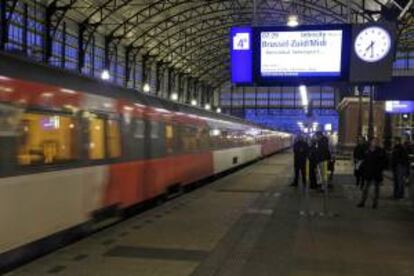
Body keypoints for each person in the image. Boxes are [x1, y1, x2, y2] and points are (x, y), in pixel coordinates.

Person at [357, 138, 387, 208]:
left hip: (377, 172)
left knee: (376, 189)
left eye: (376, 142)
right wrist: (362, 170)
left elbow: (384, 161)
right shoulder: (368, 151)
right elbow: (365, 161)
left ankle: (375, 203)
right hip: (369, 172)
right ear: (371, 142)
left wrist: (380, 168)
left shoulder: (380, 151)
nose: (374, 143)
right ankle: (362, 202)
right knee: (365, 188)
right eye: (373, 142)